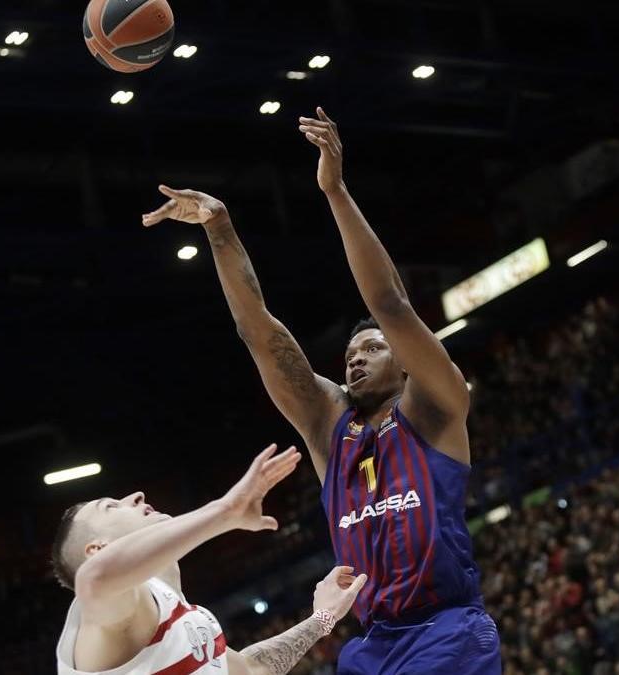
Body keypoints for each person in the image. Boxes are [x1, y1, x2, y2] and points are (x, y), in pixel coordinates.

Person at [140, 106, 500, 674]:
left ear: (406, 364)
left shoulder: (435, 407)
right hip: (367, 643)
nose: (356, 359)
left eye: (373, 350)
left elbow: (390, 304)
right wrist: (220, 229)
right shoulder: (330, 428)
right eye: (350, 354)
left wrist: (334, 190)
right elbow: (257, 329)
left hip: (446, 628)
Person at [51, 444, 367, 674]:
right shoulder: (108, 614)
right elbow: (93, 579)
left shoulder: (173, 603)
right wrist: (224, 511)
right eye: (110, 507)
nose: (135, 496)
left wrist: (322, 619)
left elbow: (250, 668)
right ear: (98, 549)